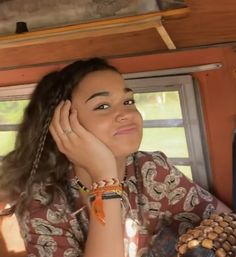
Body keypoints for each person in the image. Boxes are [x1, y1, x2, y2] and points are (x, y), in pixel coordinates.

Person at [0, 58, 231, 257]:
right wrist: (105, 176)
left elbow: (227, 224)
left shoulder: (150, 169)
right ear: (62, 125)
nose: (126, 114)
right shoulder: (42, 204)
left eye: (128, 101)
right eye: (102, 106)